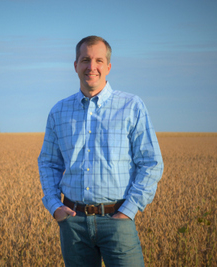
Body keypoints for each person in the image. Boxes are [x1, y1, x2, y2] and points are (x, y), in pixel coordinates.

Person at [38, 35, 164, 266]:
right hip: (73, 222)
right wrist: (54, 205)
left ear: (108, 67)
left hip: (117, 220)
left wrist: (129, 210)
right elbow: (49, 162)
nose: (91, 66)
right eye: (85, 60)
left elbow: (151, 162)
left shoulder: (131, 106)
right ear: (76, 65)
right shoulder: (59, 111)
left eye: (98, 60)